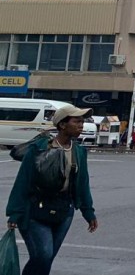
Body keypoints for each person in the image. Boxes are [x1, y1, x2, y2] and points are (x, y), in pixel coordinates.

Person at [6, 104, 98, 275]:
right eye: (77, 121)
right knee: (43, 255)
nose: (81, 125)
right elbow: (23, 180)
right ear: (62, 125)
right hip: (35, 210)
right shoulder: (40, 148)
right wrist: (15, 212)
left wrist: (88, 212)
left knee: (46, 259)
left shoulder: (78, 151)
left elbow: (82, 184)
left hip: (64, 211)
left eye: (82, 122)